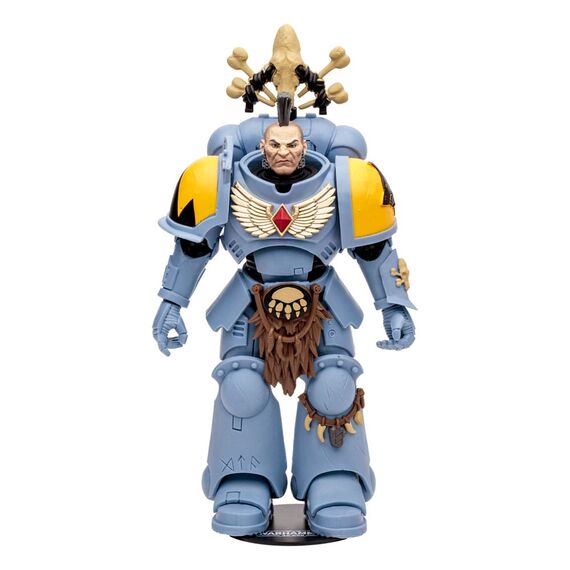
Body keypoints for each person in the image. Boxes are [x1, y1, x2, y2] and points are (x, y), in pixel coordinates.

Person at [153, 118, 416, 539]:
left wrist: (394, 306)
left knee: (335, 387)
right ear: (261, 145)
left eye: (292, 144)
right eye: (273, 144)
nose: (283, 153)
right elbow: (192, 246)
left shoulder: (346, 182)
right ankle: (243, 476)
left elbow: (375, 250)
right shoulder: (219, 180)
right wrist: (172, 302)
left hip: (321, 301)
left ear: (305, 145)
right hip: (251, 301)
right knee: (241, 387)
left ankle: (334, 478)